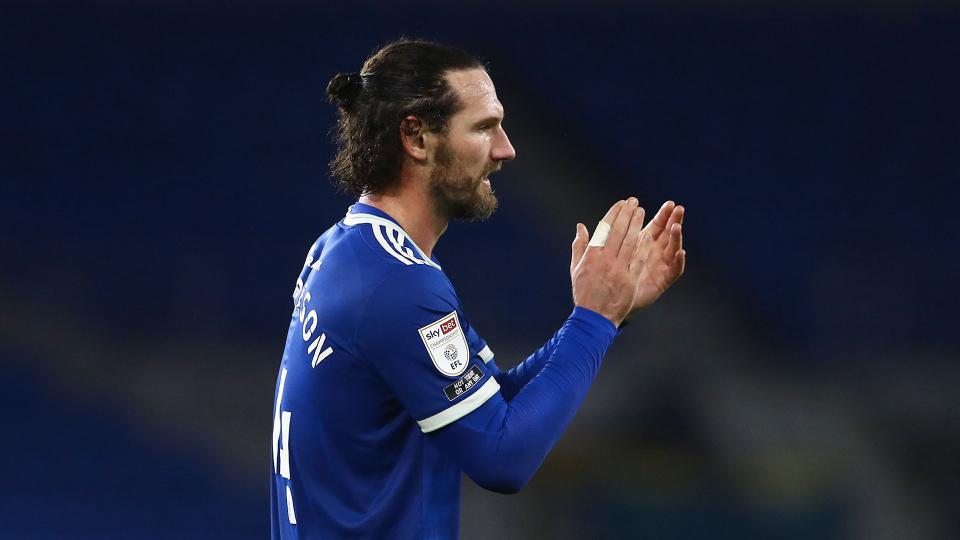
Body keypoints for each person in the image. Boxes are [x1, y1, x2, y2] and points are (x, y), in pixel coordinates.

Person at [270, 38, 686, 539]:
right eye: (484, 127)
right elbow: (502, 458)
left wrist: (602, 313)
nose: (506, 149)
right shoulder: (395, 285)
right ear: (417, 137)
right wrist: (594, 321)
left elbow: (492, 402)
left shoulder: (349, 252)